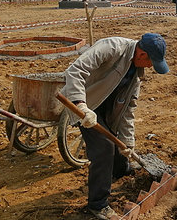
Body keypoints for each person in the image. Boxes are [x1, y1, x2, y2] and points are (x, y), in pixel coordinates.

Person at [62, 33, 169, 220]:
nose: (151, 67)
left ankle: (121, 170)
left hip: (108, 109)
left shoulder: (136, 74)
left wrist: (128, 142)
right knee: (104, 148)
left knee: (119, 142)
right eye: (151, 62)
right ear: (142, 54)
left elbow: (129, 109)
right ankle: (98, 204)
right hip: (85, 104)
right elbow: (75, 71)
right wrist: (81, 105)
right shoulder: (112, 47)